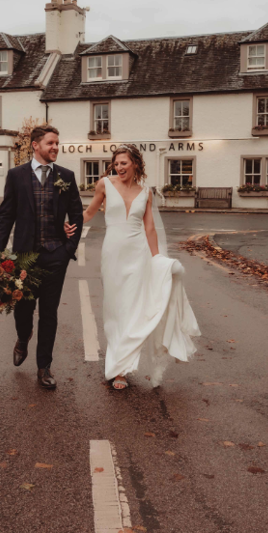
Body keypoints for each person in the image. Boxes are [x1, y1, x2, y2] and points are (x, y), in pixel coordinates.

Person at [66, 144, 199, 390]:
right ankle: (118, 361)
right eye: (116, 164)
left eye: (124, 163)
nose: (119, 167)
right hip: (113, 255)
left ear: (135, 164)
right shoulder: (105, 185)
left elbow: (149, 228)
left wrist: (157, 259)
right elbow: (89, 213)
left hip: (139, 255)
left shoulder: (146, 192)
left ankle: (121, 370)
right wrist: (69, 225)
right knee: (115, 310)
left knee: (132, 309)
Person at [0, 124, 84, 389]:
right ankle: (23, 338)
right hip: (25, 258)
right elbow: (6, 216)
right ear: (36, 145)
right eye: (50, 143)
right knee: (23, 310)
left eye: (57, 143)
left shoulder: (66, 176)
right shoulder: (16, 175)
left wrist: (69, 248)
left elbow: (76, 214)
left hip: (56, 256)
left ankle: (44, 367)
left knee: (49, 313)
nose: (56, 147)